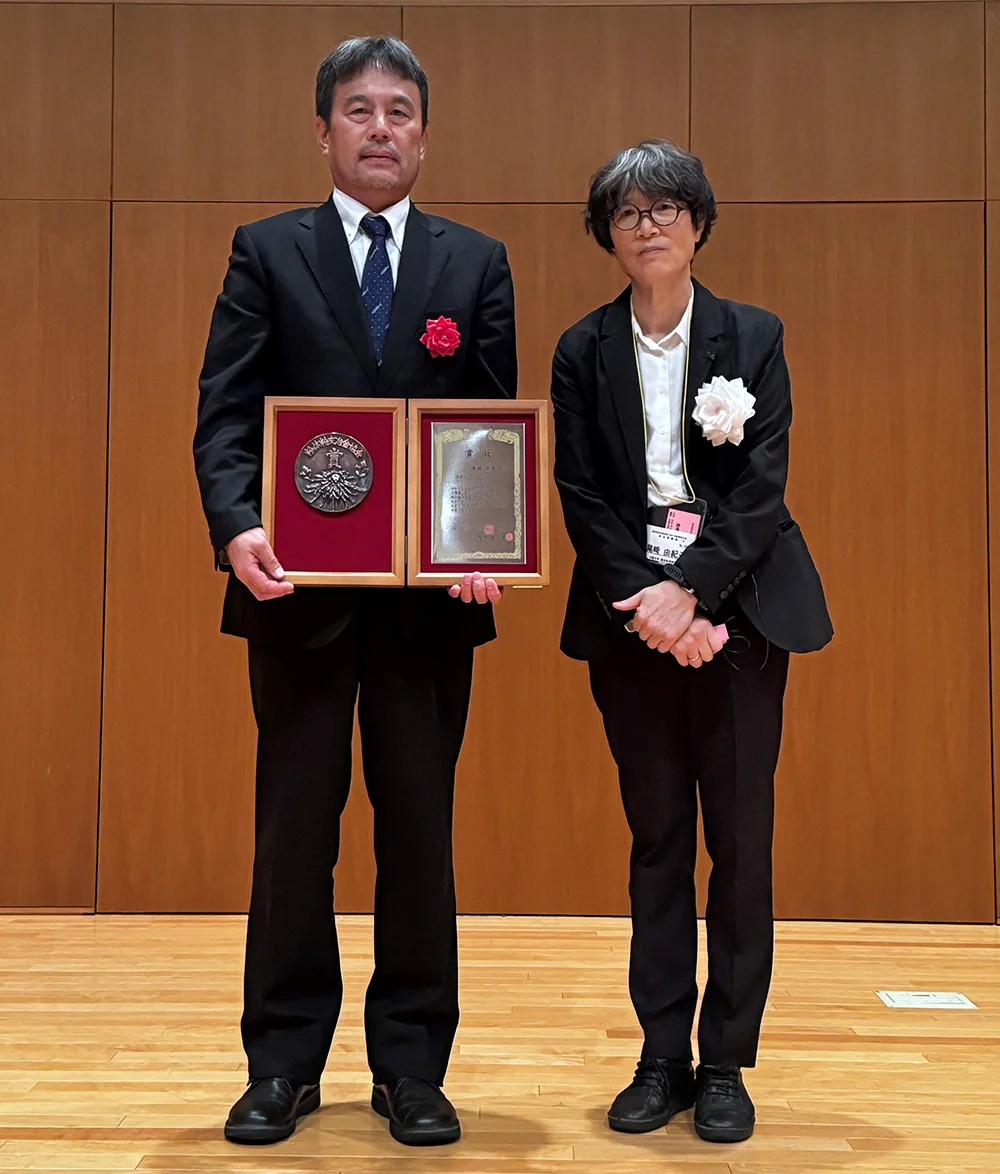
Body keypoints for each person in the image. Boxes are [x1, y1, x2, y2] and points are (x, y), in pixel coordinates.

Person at [193, 36, 515, 1148]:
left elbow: (489, 431)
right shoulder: (265, 251)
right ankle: (282, 1064)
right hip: (297, 598)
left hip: (430, 609)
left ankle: (413, 1068)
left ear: (425, 133)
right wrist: (236, 524)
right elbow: (225, 415)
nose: (381, 128)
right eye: (359, 109)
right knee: (294, 834)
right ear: (323, 130)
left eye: (400, 111)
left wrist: (490, 539)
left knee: (420, 833)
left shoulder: (476, 262)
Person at [550, 139, 832, 1144]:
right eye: (627, 213)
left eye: (666, 208)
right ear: (608, 235)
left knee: (740, 846)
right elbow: (581, 492)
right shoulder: (581, 349)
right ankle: (662, 1054)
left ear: (699, 224)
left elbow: (759, 490)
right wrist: (651, 605)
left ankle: (725, 1064)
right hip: (632, 622)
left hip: (742, 618)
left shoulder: (753, 335)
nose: (648, 226)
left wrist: (695, 596)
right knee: (658, 841)